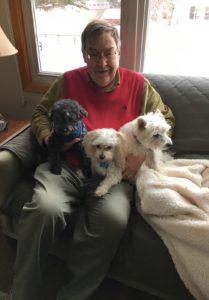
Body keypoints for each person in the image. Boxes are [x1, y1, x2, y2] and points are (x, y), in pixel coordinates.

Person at [11, 19, 174, 300]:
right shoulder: (68, 80)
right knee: (43, 209)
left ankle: (72, 295)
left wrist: (142, 160)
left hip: (115, 173)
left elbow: (166, 120)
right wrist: (49, 138)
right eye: (93, 53)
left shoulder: (138, 84)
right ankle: (22, 293)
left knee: (112, 219)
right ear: (84, 54)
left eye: (108, 52)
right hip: (67, 167)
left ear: (119, 51)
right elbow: (39, 113)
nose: (102, 62)